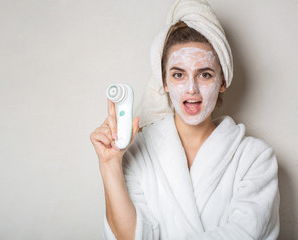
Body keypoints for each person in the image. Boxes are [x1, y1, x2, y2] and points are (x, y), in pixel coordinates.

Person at [90, 0, 280, 239]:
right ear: (165, 82)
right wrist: (109, 164)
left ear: (222, 81)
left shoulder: (255, 158)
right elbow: (130, 236)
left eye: (205, 74)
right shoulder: (138, 152)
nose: (192, 88)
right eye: (178, 74)